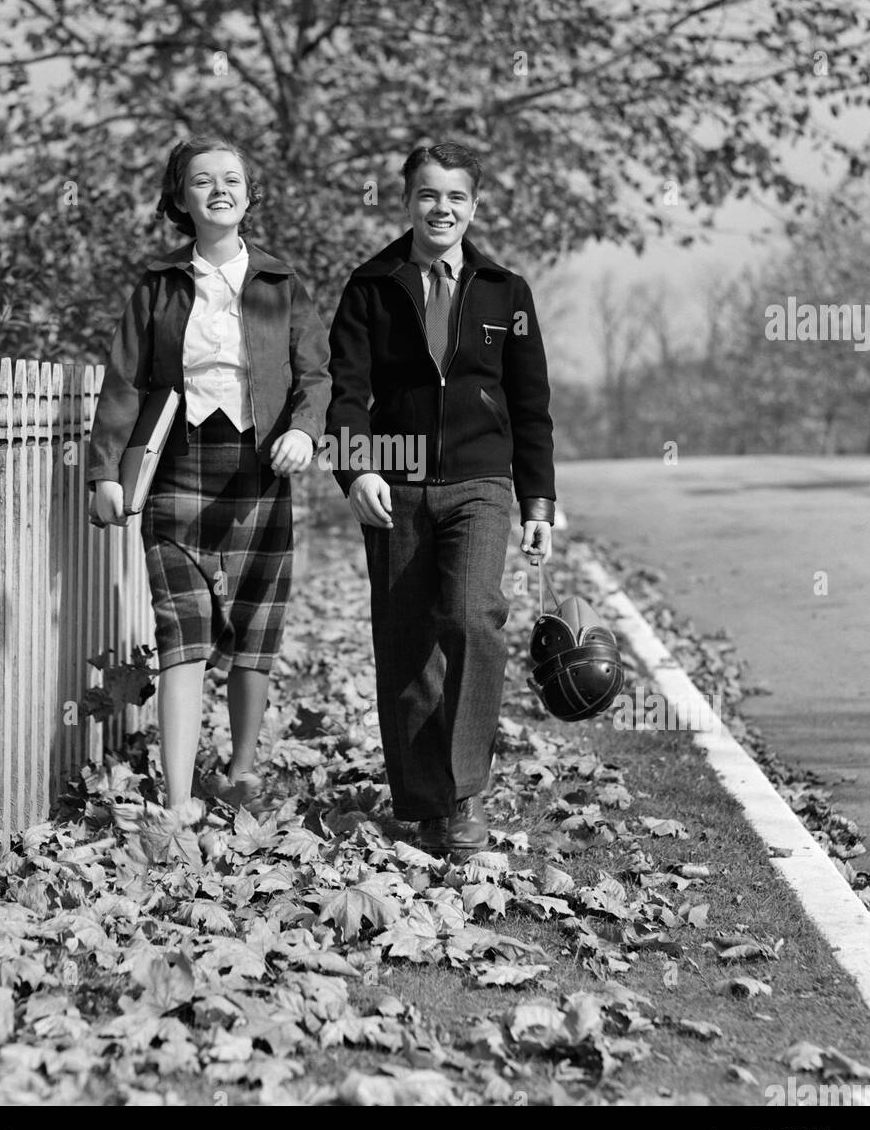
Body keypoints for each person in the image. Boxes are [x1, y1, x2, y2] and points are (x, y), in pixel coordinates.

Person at [87, 135, 331, 816]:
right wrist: (104, 469)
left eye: (232, 179)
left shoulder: (281, 283)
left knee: (255, 630)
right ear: (179, 199)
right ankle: (177, 800)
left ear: (250, 196)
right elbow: (125, 381)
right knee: (182, 634)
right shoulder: (157, 286)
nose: (219, 189)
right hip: (176, 473)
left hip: (261, 473)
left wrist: (303, 433)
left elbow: (317, 374)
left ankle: (243, 771)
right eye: (202, 181)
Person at [326, 141, 556, 854]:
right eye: (428, 195)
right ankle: (425, 805)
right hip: (393, 483)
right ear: (406, 201)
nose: (441, 208)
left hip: (480, 482)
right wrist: (355, 469)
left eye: (455, 197)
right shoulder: (371, 283)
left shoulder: (503, 290)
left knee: (472, 618)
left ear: (474, 206)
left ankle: (464, 797)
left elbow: (531, 404)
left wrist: (538, 504)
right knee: (406, 646)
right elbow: (346, 395)